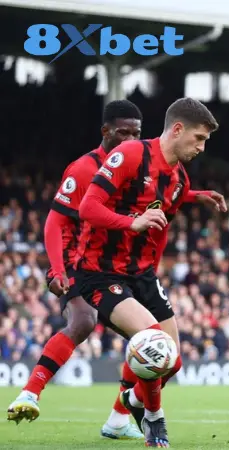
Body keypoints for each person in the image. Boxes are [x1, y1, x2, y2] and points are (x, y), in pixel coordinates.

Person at [74, 97, 225, 447]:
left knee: (173, 362)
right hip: (102, 271)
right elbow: (88, 207)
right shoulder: (129, 155)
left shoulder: (178, 177)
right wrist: (132, 223)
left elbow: (167, 193)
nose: (202, 147)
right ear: (177, 129)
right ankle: (153, 420)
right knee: (155, 345)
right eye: (199, 138)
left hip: (142, 274)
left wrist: (196, 196)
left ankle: (127, 405)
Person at [7, 100, 145, 440]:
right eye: (122, 132)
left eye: (136, 133)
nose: (129, 139)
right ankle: (29, 393)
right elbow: (55, 222)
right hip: (75, 260)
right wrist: (57, 270)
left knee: (146, 339)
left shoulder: (138, 169)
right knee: (83, 320)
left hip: (110, 265)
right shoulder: (84, 169)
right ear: (105, 131)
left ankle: (117, 419)